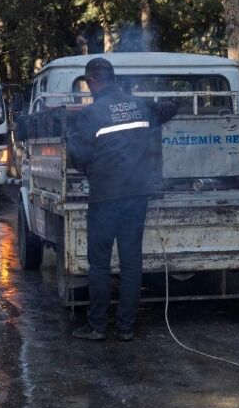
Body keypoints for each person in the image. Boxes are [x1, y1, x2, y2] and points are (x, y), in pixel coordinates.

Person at [66, 57, 177, 341]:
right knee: (130, 262)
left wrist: (73, 143)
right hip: (137, 194)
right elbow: (168, 109)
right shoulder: (140, 105)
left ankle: (98, 326)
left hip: (105, 198)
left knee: (100, 264)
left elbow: (79, 158)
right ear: (113, 78)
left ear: (91, 82)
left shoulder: (90, 115)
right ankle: (125, 328)